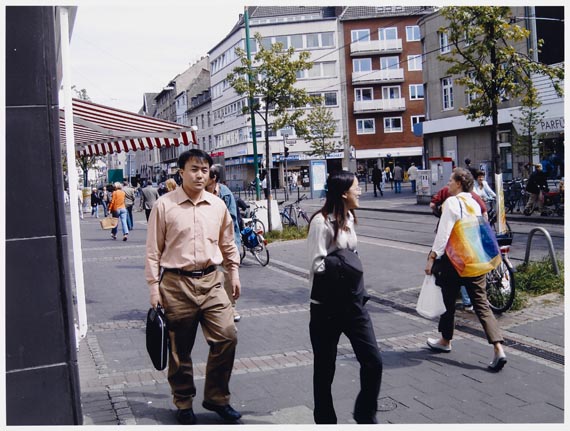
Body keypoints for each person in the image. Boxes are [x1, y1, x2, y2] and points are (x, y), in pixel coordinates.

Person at [145, 149, 241, 425]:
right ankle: (183, 401)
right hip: (176, 283)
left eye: (204, 170)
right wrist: (154, 287)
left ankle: (217, 397)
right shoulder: (165, 205)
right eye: (194, 169)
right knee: (179, 349)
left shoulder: (218, 205)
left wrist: (233, 273)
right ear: (181, 172)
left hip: (212, 280)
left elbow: (228, 243)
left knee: (227, 336)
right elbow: (153, 251)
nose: (200, 175)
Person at [307, 171, 383, 424]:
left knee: (373, 361)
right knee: (325, 369)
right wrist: (343, 266)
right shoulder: (321, 222)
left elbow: (352, 252)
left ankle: (364, 413)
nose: (360, 191)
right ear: (343, 193)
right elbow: (316, 265)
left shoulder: (349, 216)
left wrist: (351, 267)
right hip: (326, 307)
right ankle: (326, 421)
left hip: (353, 303)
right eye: (356, 187)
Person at [425, 168, 507, 372]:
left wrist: (432, 257)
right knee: (481, 304)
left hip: (454, 262)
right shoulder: (473, 201)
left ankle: (445, 340)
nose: (448, 184)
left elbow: (443, 235)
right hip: (475, 260)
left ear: (459, 183)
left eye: (451, 181)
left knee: (448, 303)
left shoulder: (451, 203)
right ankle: (498, 348)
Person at [206, 163, 242, 323]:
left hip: (225, 241)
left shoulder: (225, 194)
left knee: (227, 275)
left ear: (213, 178)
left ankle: (231, 308)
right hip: (207, 243)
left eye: (205, 173)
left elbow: (232, 221)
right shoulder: (198, 193)